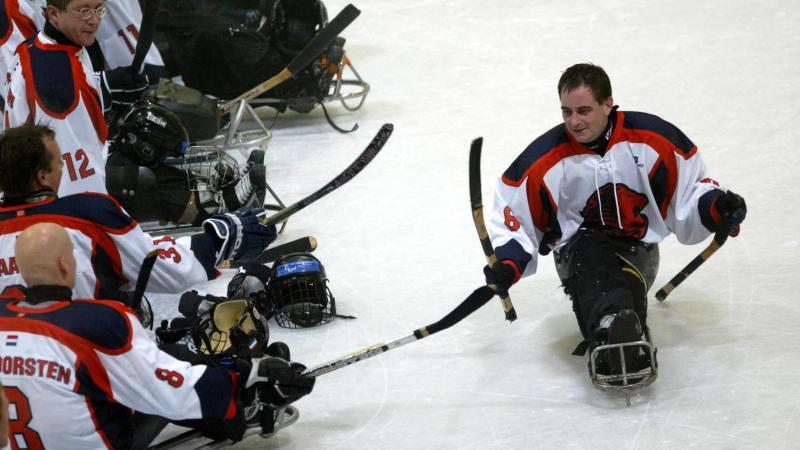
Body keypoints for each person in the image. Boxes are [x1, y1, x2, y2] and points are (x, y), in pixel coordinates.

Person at [483, 63, 747, 388]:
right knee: (596, 265)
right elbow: (514, 217)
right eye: (566, 112)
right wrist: (508, 263)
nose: (573, 121)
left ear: (608, 103)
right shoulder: (544, 158)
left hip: (640, 253)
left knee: (622, 287)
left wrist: (717, 207)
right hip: (578, 257)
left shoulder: (654, 139)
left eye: (583, 110)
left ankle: (618, 327)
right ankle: (622, 329)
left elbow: (692, 194)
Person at [0, 222, 314, 449]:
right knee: (169, 363)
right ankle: (251, 409)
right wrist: (247, 378)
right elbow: (170, 390)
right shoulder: (96, 323)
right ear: (66, 265)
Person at [0, 123, 276, 306]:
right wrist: (216, 240)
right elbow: (163, 270)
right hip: (93, 363)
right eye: (60, 162)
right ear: (43, 176)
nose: (64, 168)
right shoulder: (88, 213)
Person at [3, 0, 150, 195]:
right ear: (54, 14)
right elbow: (72, 183)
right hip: (59, 211)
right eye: (84, 11)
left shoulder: (35, 45)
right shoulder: (57, 80)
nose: (95, 20)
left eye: (98, 9)